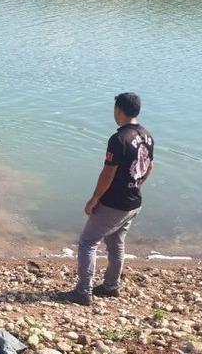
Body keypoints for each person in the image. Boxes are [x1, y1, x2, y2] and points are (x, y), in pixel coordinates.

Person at [59, 92, 154, 306]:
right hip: (133, 202)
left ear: (118, 110)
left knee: (87, 242)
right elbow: (150, 167)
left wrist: (94, 199)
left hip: (114, 203)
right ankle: (111, 286)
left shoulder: (119, 139)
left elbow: (108, 174)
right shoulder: (147, 136)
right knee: (116, 242)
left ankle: (83, 292)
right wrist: (136, 185)